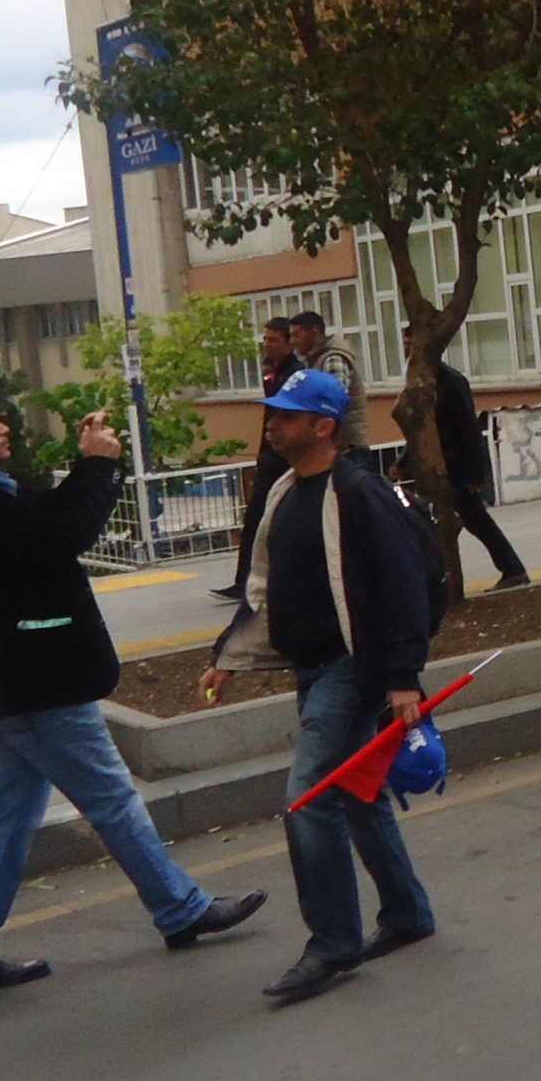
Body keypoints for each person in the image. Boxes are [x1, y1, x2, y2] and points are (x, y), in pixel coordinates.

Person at [0, 391, 266, 999]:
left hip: (16, 678)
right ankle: (181, 909)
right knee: (111, 797)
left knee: (13, 814)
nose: (3, 427)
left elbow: (50, 519)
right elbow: (63, 535)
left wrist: (89, 463)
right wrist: (100, 466)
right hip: (38, 678)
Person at [200, 368, 438, 1004]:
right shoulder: (284, 492)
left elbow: (403, 584)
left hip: (349, 671)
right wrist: (229, 655)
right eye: (273, 413)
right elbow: (263, 588)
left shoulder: (358, 491)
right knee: (359, 794)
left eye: (286, 415)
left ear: (323, 426)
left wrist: (403, 677)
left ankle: (332, 944)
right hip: (311, 669)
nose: (272, 424)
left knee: (308, 799)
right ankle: (407, 913)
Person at [214, 317, 297, 602]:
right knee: (255, 519)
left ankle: (260, 580)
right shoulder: (272, 371)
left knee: (270, 517)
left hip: (283, 456)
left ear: (288, 342)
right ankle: (245, 580)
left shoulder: (294, 374)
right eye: (265, 339)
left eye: (274, 340)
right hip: (271, 454)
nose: (267, 345)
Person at [434, 356, 529, 591]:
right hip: (440, 465)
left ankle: (513, 569)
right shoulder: (423, 383)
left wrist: (476, 472)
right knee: (469, 520)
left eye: (411, 342)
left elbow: (469, 428)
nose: (407, 349)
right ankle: (512, 569)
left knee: (474, 519)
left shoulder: (451, 381)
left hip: (457, 464)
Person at [287, 309, 375, 469]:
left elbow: (334, 398)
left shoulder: (333, 359)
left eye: (296, 335)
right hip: (338, 447)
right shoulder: (315, 361)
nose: (292, 341)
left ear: (314, 333)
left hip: (347, 449)